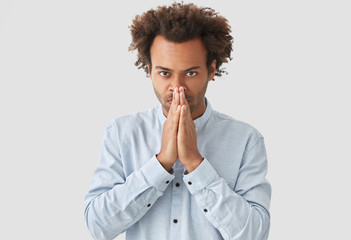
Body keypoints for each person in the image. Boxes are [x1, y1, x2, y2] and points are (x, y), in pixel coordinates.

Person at [84, 2, 271, 240]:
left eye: (191, 73)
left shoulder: (246, 140)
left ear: (211, 70)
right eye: (165, 73)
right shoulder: (121, 133)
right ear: (149, 69)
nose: (177, 87)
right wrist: (161, 163)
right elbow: (98, 226)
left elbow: (254, 234)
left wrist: (195, 163)